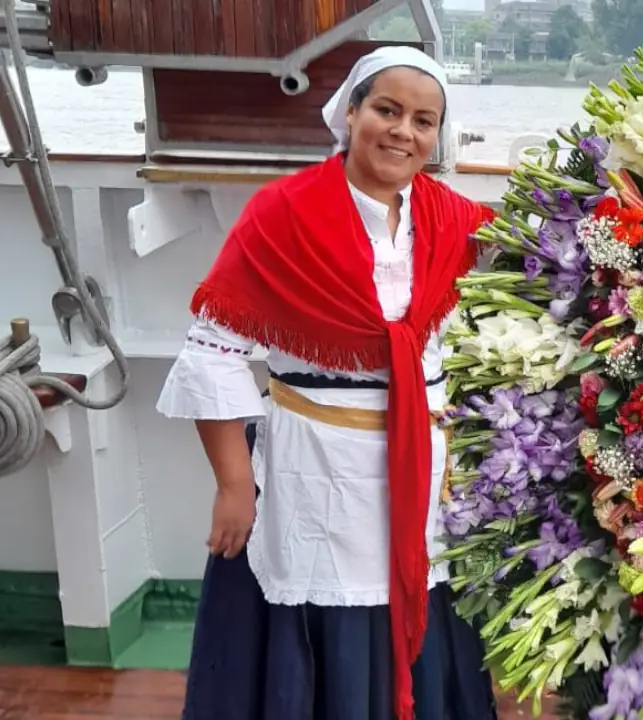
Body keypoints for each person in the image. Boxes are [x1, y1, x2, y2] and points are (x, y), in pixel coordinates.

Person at [156, 46, 498, 720]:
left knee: (423, 603)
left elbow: (496, 317)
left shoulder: (456, 222)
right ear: (350, 113)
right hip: (315, 467)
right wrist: (233, 487)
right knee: (325, 614)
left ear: (437, 137)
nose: (403, 132)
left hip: (427, 470)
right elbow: (213, 353)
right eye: (387, 110)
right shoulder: (282, 214)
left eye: (424, 121)